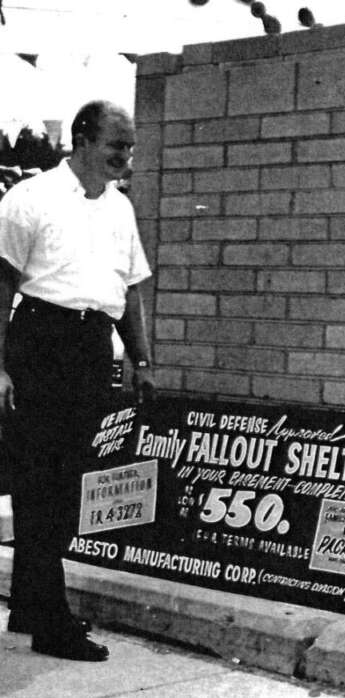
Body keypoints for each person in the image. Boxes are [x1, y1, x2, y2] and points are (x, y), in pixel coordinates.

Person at [0, 100, 156, 661]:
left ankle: (28, 607)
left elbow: (129, 289)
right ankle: (51, 624)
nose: (125, 156)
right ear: (83, 139)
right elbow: (2, 283)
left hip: (91, 350)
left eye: (131, 147)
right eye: (118, 144)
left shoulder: (120, 209)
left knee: (64, 488)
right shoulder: (31, 198)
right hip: (39, 343)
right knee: (45, 489)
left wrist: (140, 361)